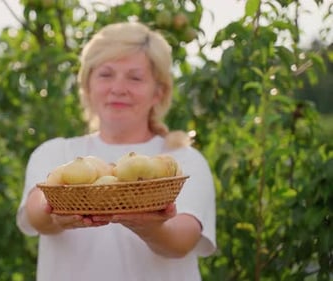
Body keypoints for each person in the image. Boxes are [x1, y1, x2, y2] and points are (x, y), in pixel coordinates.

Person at [16, 21, 216, 281]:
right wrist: (56, 211)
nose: (118, 88)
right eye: (106, 74)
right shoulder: (57, 153)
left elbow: (180, 242)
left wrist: (147, 226)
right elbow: (36, 215)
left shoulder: (180, 161)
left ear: (159, 92)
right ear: (87, 85)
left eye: (135, 77)